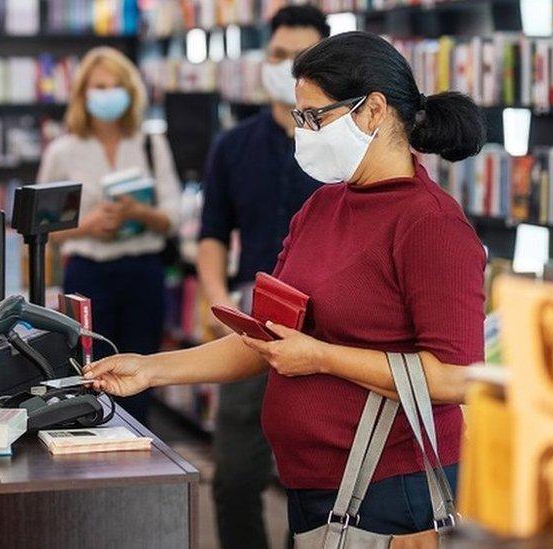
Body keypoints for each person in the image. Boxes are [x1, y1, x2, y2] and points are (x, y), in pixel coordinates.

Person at [84, 31, 488, 536]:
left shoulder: (430, 225)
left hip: (391, 487)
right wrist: (151, 370)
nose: (305, 132)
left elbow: (456, 377)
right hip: (316, 483)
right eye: (300, 118)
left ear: (373, 110)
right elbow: (270, 340)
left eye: (315, 117)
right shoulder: (323, 206)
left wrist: (321, 357)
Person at [196, 6, 325, 548]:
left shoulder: (339, 150)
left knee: (316, 485)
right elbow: (211, 234)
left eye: (302, 58)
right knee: (234, 477)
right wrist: (216, 303)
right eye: (278, 56)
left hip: (328, 332)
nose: (287, 67)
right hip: (252, 325)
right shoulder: (232, 146)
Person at [37, 46, 181, 424]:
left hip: (143, 272)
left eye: (116, 86)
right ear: (83, 93)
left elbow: (173, 218)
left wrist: (139, 213)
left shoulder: (151, 143)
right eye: (99, 86)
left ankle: (140, 457)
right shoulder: (62, 152)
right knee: (87, 375)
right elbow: (42, 228)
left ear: (131, 93)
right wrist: (88, 226)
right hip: (88, 274)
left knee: (141, 373)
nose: (107, 94)